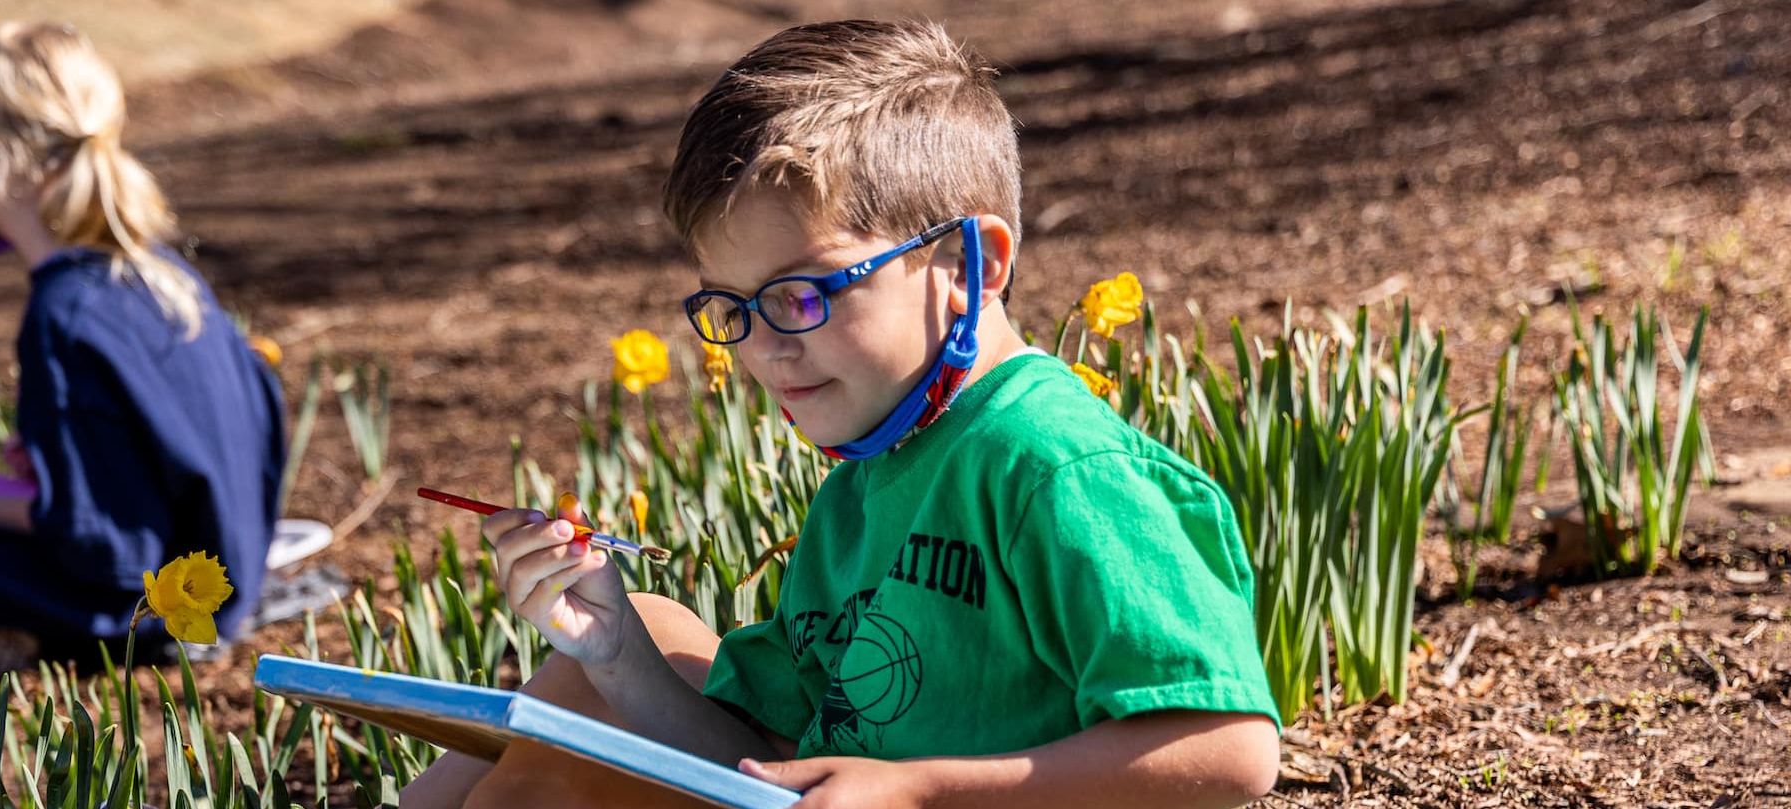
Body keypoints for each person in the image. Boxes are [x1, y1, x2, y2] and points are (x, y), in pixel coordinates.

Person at [404, 19, 1280, 808]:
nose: (762, 347)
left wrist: (921, 789)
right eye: (733, 307)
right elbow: (764, 766)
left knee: (546, 788)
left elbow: (1230, 750)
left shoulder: (1056, 468)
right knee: (642, 634)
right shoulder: (870, 479)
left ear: (969, 263)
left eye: (803, 294)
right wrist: (615, 651)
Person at [0, 22, 284, 654]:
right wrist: (53, 464)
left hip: (156, 611)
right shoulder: (162, 272)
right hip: (229, 576)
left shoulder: (65, 313)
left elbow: (102, 549)